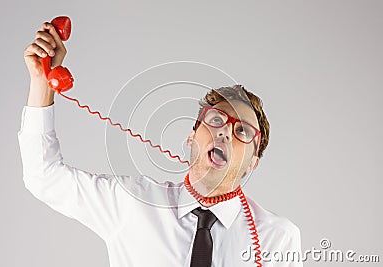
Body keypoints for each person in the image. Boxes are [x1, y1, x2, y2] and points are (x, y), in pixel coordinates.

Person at [19, 21, 303, 267]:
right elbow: (43, 176)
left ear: (253, 162)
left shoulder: (277, 237)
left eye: (242, 131)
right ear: (191, 137)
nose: (225, 133)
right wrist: (41, 84)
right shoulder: (131, 203)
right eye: (216, 120)